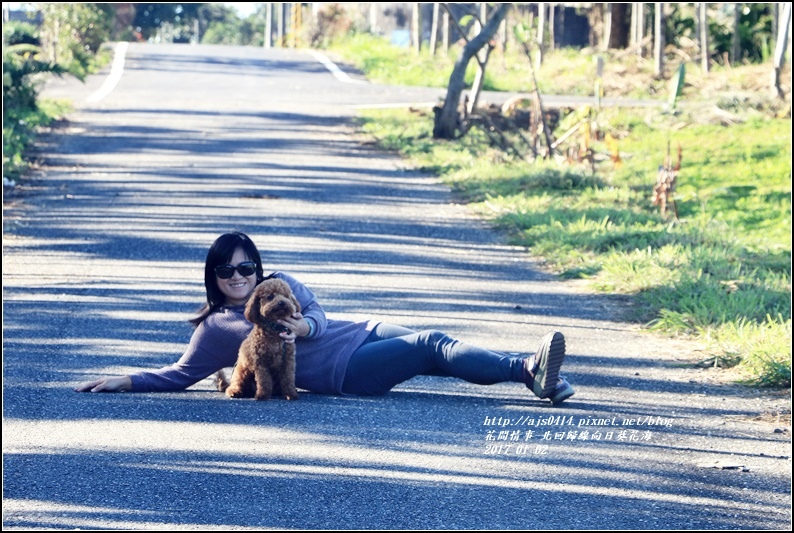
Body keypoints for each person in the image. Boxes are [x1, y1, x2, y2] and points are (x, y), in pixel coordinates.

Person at [75, 231, 575, 404]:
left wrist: (305, 326)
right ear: (213, 275)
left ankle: (540, 380)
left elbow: (316, 312)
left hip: (357, 332)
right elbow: (179, 375)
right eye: (226, 269)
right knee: (429, 345)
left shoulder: (283, 286)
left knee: (436, 351)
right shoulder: (218, 328)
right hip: (346, 372)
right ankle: (526, 370)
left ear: (258, 267)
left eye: (246, 266)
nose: (237, 275)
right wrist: (125, 379)